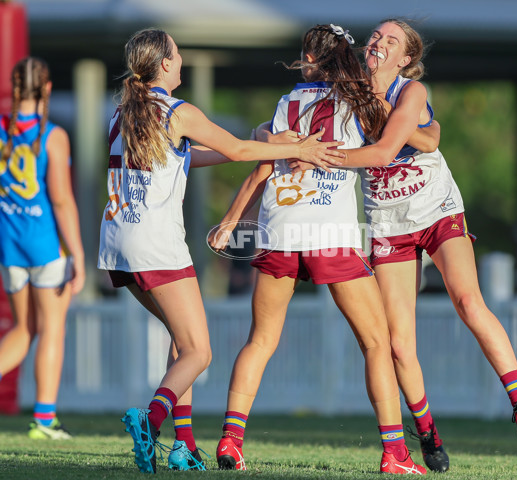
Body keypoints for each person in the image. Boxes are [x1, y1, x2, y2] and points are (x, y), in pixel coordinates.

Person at [292, 18, 517, 472]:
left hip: (435, 209)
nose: (379, 43)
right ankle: (426, 430)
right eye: (375, 37)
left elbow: (385, 153)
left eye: (392, 41)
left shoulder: (409, 92)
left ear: (406, 58)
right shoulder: (348, 90)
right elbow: (424, 136)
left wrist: (322, 156)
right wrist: (269, 141)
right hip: (388, 222)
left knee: (468, 301)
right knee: (398, 344)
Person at [96, 28, 345, 474]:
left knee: (181, 339)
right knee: (200, 351)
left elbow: (188, 157)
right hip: (157, 245)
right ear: (166, 63)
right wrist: (297, 146)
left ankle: (185, 446)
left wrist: (257, 147)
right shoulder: (178, 110)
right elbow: (236, 147)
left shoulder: (124, 112)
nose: (181, 58)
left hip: (117, 244)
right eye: (177, 52)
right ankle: (150, 422)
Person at [209, 24, 433, 475]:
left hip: (279, 229)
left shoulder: (286, 102)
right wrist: (429, 131)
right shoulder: (361, 100)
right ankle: (395, 453)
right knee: (377, 343)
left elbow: (261, 165)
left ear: (308, 59)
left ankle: (231, 441)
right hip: (329, 232)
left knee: (261, 339)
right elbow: (405, 140)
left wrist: (231, 222)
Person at [0, 57, 86, 440]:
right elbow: (63, 202)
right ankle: (45, 419)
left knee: (23, 329)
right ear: (47, 89)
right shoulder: (53, 135)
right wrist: (79, 254)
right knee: (51, 329)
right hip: (46, 247)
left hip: (9, 248)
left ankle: (45, 418)